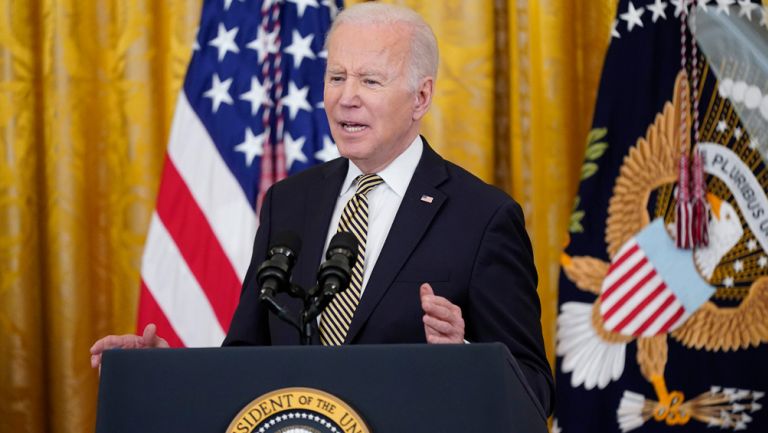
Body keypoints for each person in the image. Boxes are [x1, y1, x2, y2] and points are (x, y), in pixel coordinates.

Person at [90, 2, 554, 415]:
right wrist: (163, 366)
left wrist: (467, 356)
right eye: (336, 77)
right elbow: (247, 358)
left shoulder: (483, 217)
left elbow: (534, 392)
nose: (345, 96)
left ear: (421, 97)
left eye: (370, 80)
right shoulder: (289, 202)